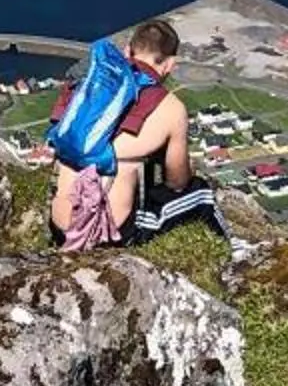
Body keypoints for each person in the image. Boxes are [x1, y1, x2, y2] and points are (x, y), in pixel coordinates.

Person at [48, 17, 195, 248]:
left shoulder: (85, 83)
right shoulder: (171, 108)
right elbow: (177, 182)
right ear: (170, 64)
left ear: (127, 51)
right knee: (202, 194)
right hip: (110, 235)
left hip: (59, 225)